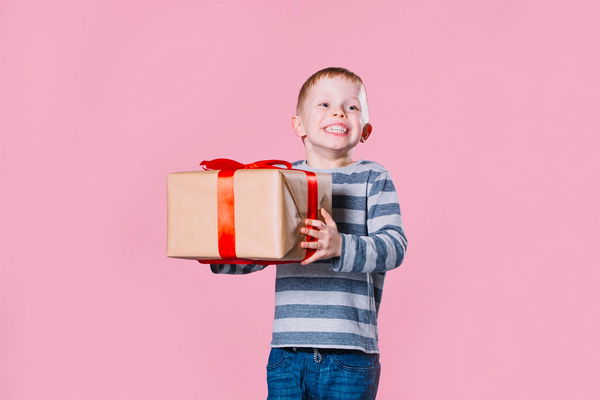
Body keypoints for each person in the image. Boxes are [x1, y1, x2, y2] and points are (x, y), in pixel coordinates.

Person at [210, 66, 408, 400]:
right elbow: (263, 247)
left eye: (352, 106)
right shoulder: (282, 181)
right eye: (324, 104)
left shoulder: (373, 177)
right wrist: (218, 252)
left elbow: (394, 245)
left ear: (366, 130)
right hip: (288, 349)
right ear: (298, 125)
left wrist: (341, 246)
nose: (338, 112)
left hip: (349, 352)